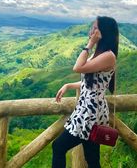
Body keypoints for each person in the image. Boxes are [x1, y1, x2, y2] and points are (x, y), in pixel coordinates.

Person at [52, 16, 119, 168]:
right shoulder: (100, 54)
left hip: (90, 112)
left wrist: (89, 44)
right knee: (92, 158)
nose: (91, 31)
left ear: (104, 32)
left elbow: (77, 67)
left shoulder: (108, 56)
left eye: (95, 28)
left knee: (59, 147)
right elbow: (91, 84)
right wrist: (69, 85)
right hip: (89, 110)